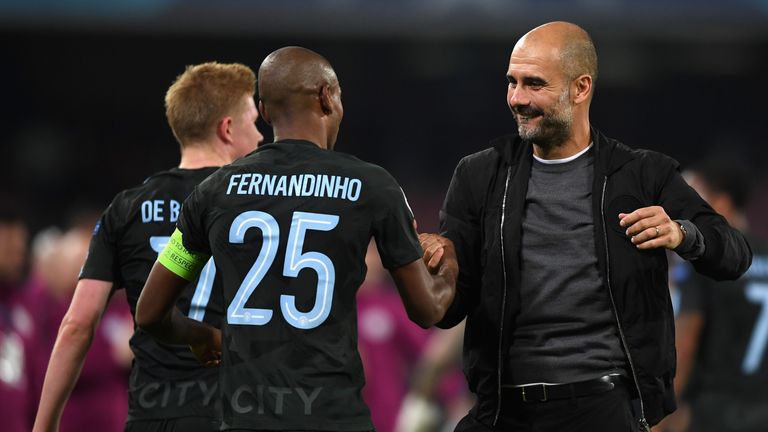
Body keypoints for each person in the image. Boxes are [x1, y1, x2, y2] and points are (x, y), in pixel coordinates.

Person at [431, 21, 752, 432]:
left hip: (603, 409)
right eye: (511, 82)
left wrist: (682, 234)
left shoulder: (642, 175)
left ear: (581, 88)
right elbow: (450, 308)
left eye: (534, 84)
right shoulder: (480, 176)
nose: (516, 98)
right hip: (503, 409)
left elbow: (735, 252)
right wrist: (436, 268)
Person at [135, 46, 457, 432]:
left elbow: (150, 313)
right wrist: (451, 258)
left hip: (245, 419)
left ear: (265, 111)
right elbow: (428, 310)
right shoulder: (372, 186)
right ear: (327, 97)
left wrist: (200, 335)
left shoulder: (212, 190)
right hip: (334, 418)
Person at [33, 61, 264, 432]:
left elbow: (77, 324)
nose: (260, 137)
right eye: (253, 122)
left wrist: (43, 427)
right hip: (232, 412)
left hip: (150, 415)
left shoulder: (125, 207)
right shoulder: (256, 207)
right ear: (227, 128)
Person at [655, 161, 768, 432]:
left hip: (714, 412)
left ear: (722, 203)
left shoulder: (709, 260)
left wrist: (660, 417)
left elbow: (686, 342)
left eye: (698, 199)